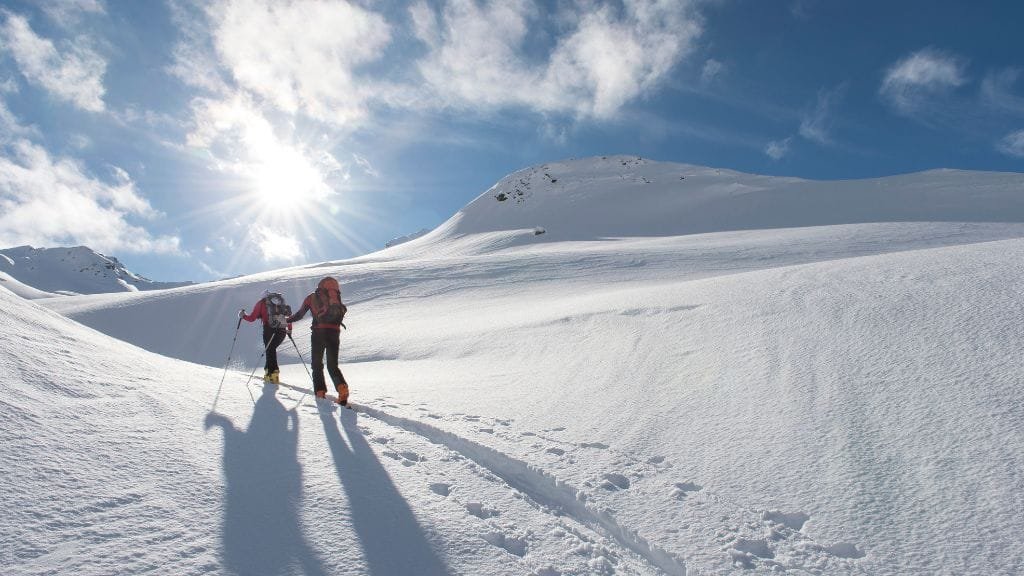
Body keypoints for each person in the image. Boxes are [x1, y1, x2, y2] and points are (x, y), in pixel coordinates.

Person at [287, 277, 349, 405]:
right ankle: (342, 390)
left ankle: (320, 392)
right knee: (332, 365)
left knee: (317, 364)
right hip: (335, 332)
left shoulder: (312, 297)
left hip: (318, 333)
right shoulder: (335, 296)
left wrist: (287, 320)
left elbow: (299, 315)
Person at [240, 289, 292, 383]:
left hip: (269, 330)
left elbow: (252, 318)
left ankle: (272, 376)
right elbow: (286, 317)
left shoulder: (261, 303)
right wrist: (289, 330)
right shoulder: (280, 303)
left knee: (270, 350)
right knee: (271, 350)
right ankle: (269, 373)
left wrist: (243, 315)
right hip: (282, 330)